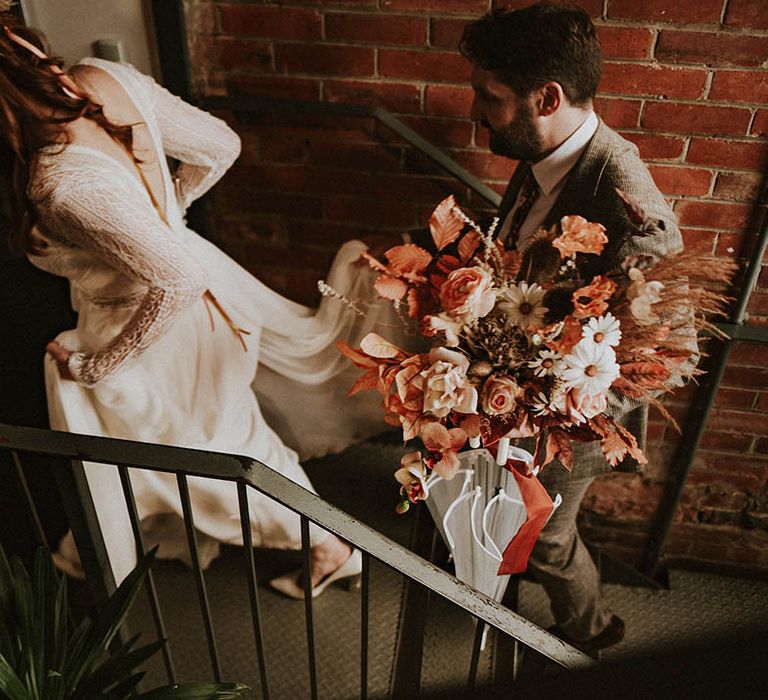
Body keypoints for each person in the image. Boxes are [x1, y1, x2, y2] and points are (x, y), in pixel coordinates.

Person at [0, 16, 398, 598]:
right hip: (202, 295)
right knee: (193, 444)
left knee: (218, 456)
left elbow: (177, 280)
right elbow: (221, 146)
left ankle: (329, 547)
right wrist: (165, 221)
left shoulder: (57, 183)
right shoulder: (102, 77)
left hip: (156, 331)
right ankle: (89, 551)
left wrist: (95, 365)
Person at [459, 2, 685, 652]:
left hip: (564, 430)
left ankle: (595, 636)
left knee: (550, 539)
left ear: (547, 96)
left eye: (488, 96)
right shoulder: (541, 151)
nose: (475, 110)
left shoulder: (631, 207)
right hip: (505, 403)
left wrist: (546, 412)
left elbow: (669, 353)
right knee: (503, 514)